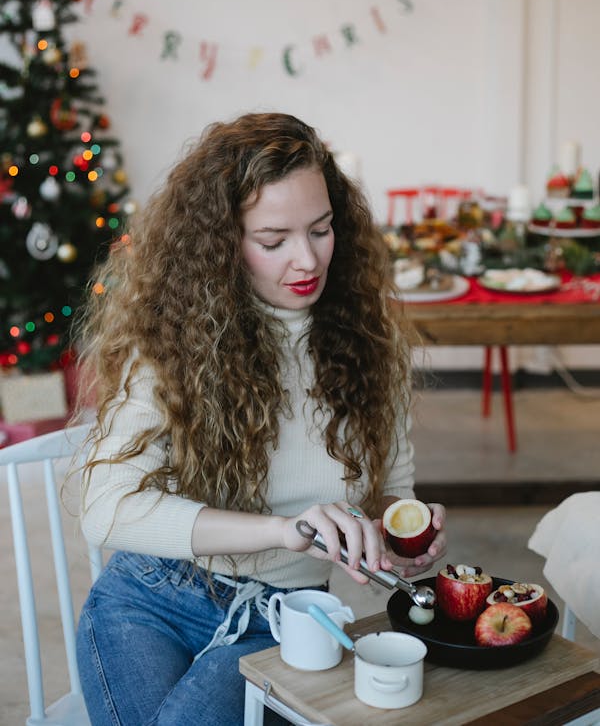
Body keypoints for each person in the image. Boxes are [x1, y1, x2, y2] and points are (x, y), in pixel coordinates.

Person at [74, 112, 446, 726]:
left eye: (322, 230)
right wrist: (281, 530)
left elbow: (388, 494)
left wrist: (399, 539)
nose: (307, 260)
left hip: (288, 620)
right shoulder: (173, 346)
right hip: (152, 598)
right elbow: (103, 506)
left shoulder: (373, 349)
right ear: (221, 245)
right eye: (273, 242)